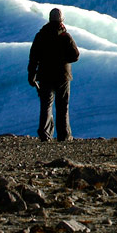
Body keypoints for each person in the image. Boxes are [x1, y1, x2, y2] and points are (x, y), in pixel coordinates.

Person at [28, 8, 80, 142]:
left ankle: (45, 135)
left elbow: (34, 57)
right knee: (62, 106)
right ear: (62, 20)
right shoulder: (65, 36)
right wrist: (63, 60)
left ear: (50, 19)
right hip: (63, 76)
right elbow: (75, 56)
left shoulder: (41, 35)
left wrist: (32, 75)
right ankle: (64, 136)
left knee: (46, 105)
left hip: (45, 75)